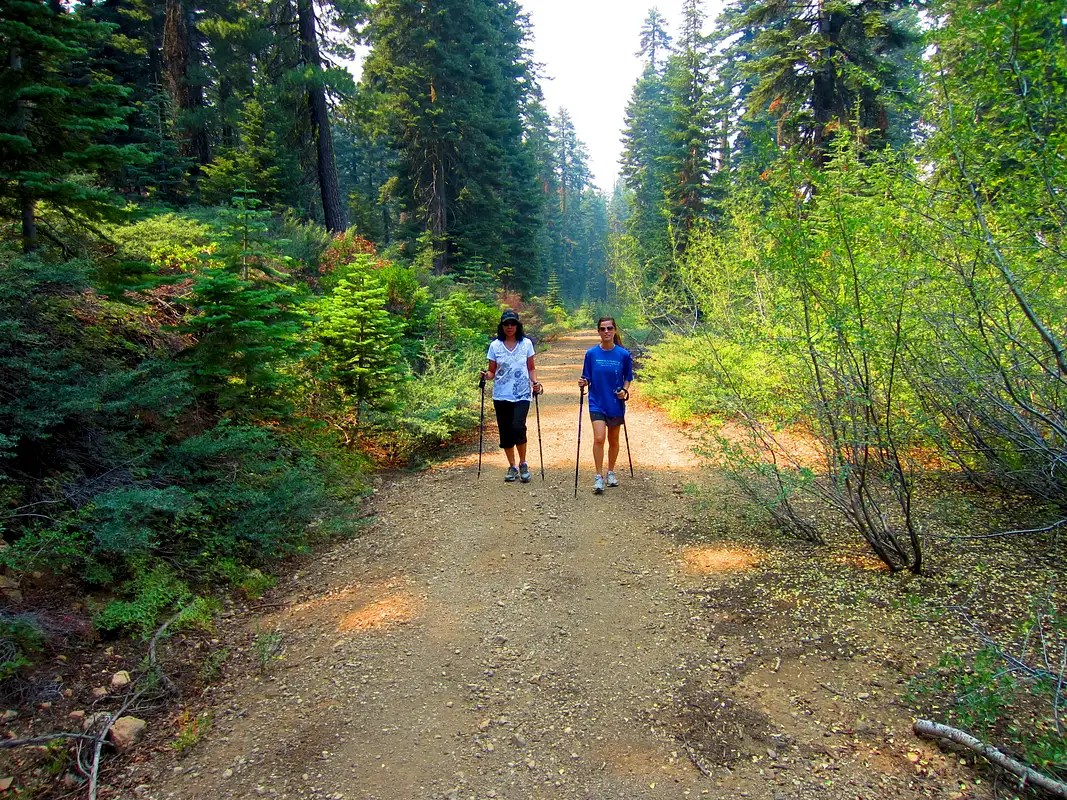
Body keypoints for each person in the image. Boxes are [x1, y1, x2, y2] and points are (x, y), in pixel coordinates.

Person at [482, 309, 542, 483]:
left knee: (518, 426)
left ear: (518, 325)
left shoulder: (526, 344)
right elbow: (492, 371)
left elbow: (531, 367)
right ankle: (512, 466)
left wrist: (535, 382)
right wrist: (486, 376)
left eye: (513, 323)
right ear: (502, 326)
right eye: (506, 324)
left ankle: (523, 463)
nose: (510, 327)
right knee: (506, 431)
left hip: (522, 393)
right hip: (501, 395)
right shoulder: (495, 346)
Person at [578, 316, 634, 494]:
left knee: (614, 439)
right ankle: (598, 476)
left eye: (609, 328)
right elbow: (587, 376)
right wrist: (583, 382)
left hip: (615, 403)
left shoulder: (623, 354)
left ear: (615, 330)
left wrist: (624, 391)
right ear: (598, 332)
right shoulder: (591, 354)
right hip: (597, 402)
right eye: (603, 329)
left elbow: (628, 378)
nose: (606, 332)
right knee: (599, 438)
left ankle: (611, 471)